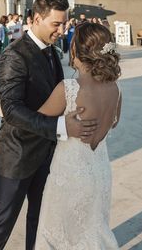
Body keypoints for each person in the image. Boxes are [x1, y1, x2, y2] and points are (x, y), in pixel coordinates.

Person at [0, 0, 98, 250]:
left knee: (40, 223)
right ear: (35, 19)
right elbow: (11, 109)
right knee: (1, 224)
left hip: (48, 155)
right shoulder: (14, 55)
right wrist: (62, 126)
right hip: (17, 154)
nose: (62, 30)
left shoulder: (53, 53)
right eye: (56, 24)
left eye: (64, 23)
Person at [35, 22, 122, 249]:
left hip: (69, 175)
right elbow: (113, 123)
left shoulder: (69, 89)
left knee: (57, 235)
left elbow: (36, 122)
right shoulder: (116, 89)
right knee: (92, 234)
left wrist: (7, 110)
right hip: (100, 173)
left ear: (77, 49)